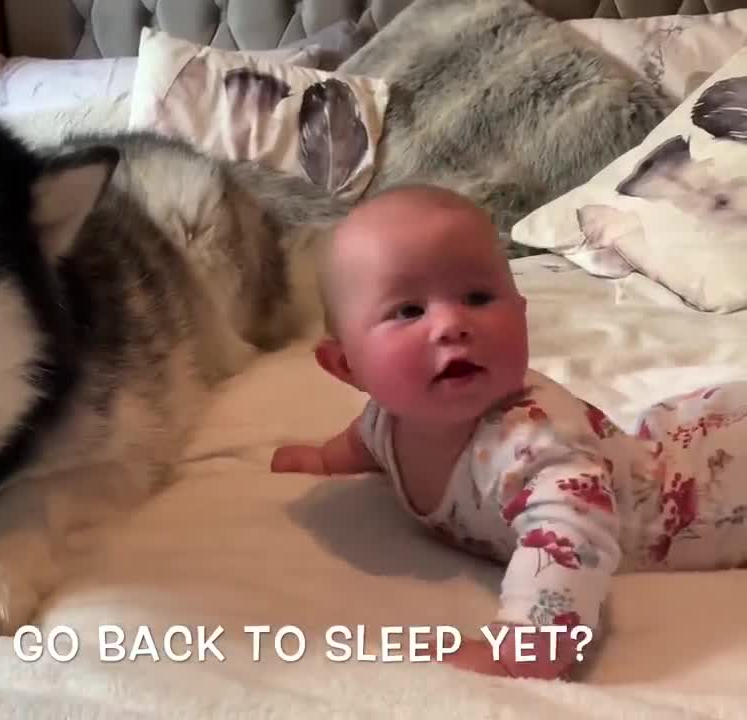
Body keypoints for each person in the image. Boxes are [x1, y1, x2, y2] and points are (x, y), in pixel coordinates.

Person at [272, 183, 747, 680]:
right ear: (346, 365)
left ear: (521, 316)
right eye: (409, 310)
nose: (452, 323)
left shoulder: (534, 449)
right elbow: (365, 441)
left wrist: (523, 649)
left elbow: (572, 542)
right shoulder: (387, 420)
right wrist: (325, 460)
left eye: (477, 297)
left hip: (712, 494)